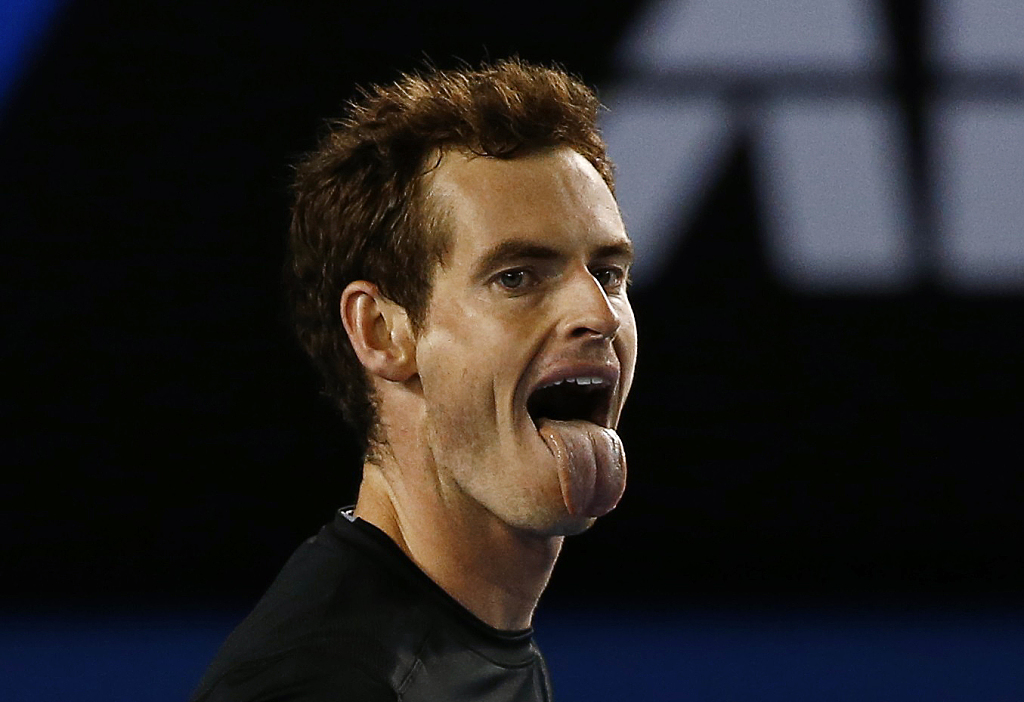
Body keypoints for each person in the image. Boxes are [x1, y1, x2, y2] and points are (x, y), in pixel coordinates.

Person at [189, 57, 637, 702]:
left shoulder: (469, 644)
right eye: (516, 277)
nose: (599, 314)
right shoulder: (320, 683)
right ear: (381, 332)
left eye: (609, 273)